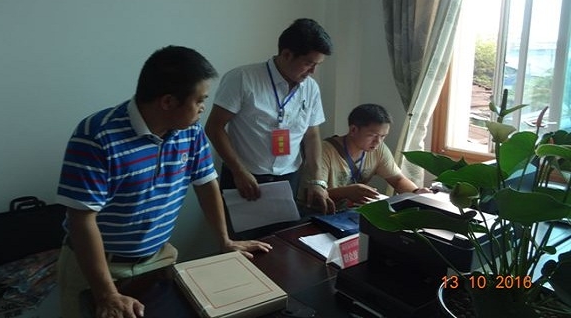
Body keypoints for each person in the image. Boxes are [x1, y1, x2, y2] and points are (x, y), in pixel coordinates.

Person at [56, 46, 272, 318]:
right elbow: (81, 219)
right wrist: (106, 293)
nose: (203, 108)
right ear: (168, 102)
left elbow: (206, 184)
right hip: (99, 269)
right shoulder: (96, 136)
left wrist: (224, 240)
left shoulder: (190, 132)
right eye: (199, 100)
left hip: (159, 259)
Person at [205, 18, 336, 214]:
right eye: (308, 63)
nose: (313, 72)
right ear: (286, 54)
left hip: (288, 178)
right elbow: (214, 127)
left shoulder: (310, 88)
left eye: (317, 65)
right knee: (244, 233)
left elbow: (311, 135)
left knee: (284, 232)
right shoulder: (242, 78)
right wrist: (238, 170)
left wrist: (318, 180)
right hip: (244, 176)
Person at [298, 103, 432, 212]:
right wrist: (346, 192)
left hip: (350, 213)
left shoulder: (378, 149)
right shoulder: (324, 151)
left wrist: (416, 192)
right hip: (319, 214)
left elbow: (397, 180)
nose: (378, 142)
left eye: (383, 136)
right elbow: (312, 195)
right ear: (353, 130)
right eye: (372, 135)